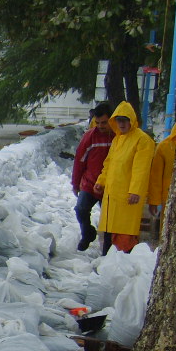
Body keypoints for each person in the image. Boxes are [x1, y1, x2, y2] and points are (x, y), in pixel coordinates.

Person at [94, 101, 155, 254]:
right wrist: (101, 181)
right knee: (109, 232)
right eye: (118, 120)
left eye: (124, 120)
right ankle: (106, 262)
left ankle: (124, 267)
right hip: (112, 196)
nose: (121, 123)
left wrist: (135, 191)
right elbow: (108, 164)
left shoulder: (143, 140)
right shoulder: (117, 139)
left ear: (131, 120)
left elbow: (141, 169)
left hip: (128, 199)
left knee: (125, 236)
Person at [71, 101, 114, 250]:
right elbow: (79, 160)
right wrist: (75, 184)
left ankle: (107, 250)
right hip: (90, 183)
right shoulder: (90, 136)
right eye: (98, 122)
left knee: (108, 221)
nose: (101, 126)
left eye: (104, 122)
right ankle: (87, 233)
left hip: (110, 186)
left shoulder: (118, 137)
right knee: (81, 209)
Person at [149, 113, 176, 241]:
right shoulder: (165, 147)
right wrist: (154, 201)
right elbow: (156, 177)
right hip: (169, 200)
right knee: (169, 236)